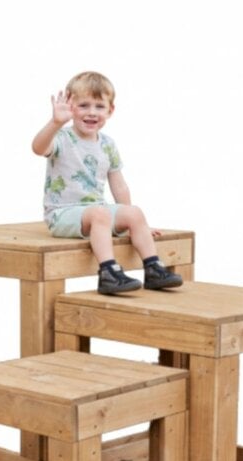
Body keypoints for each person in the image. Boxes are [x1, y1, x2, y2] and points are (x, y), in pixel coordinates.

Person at [32, 71, 183, 295]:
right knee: (100, 213)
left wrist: (134, 224)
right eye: (83, 105)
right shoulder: (62, 138)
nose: (92, 112)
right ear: (70, 107)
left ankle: (153, 269)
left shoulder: (108, 144)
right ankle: (108, 273)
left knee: (134, 212)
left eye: (99, 106)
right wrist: (55, 123)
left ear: (110, 110)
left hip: (96, 214)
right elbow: (38, 148)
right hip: (63, 214)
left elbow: (119, 185)